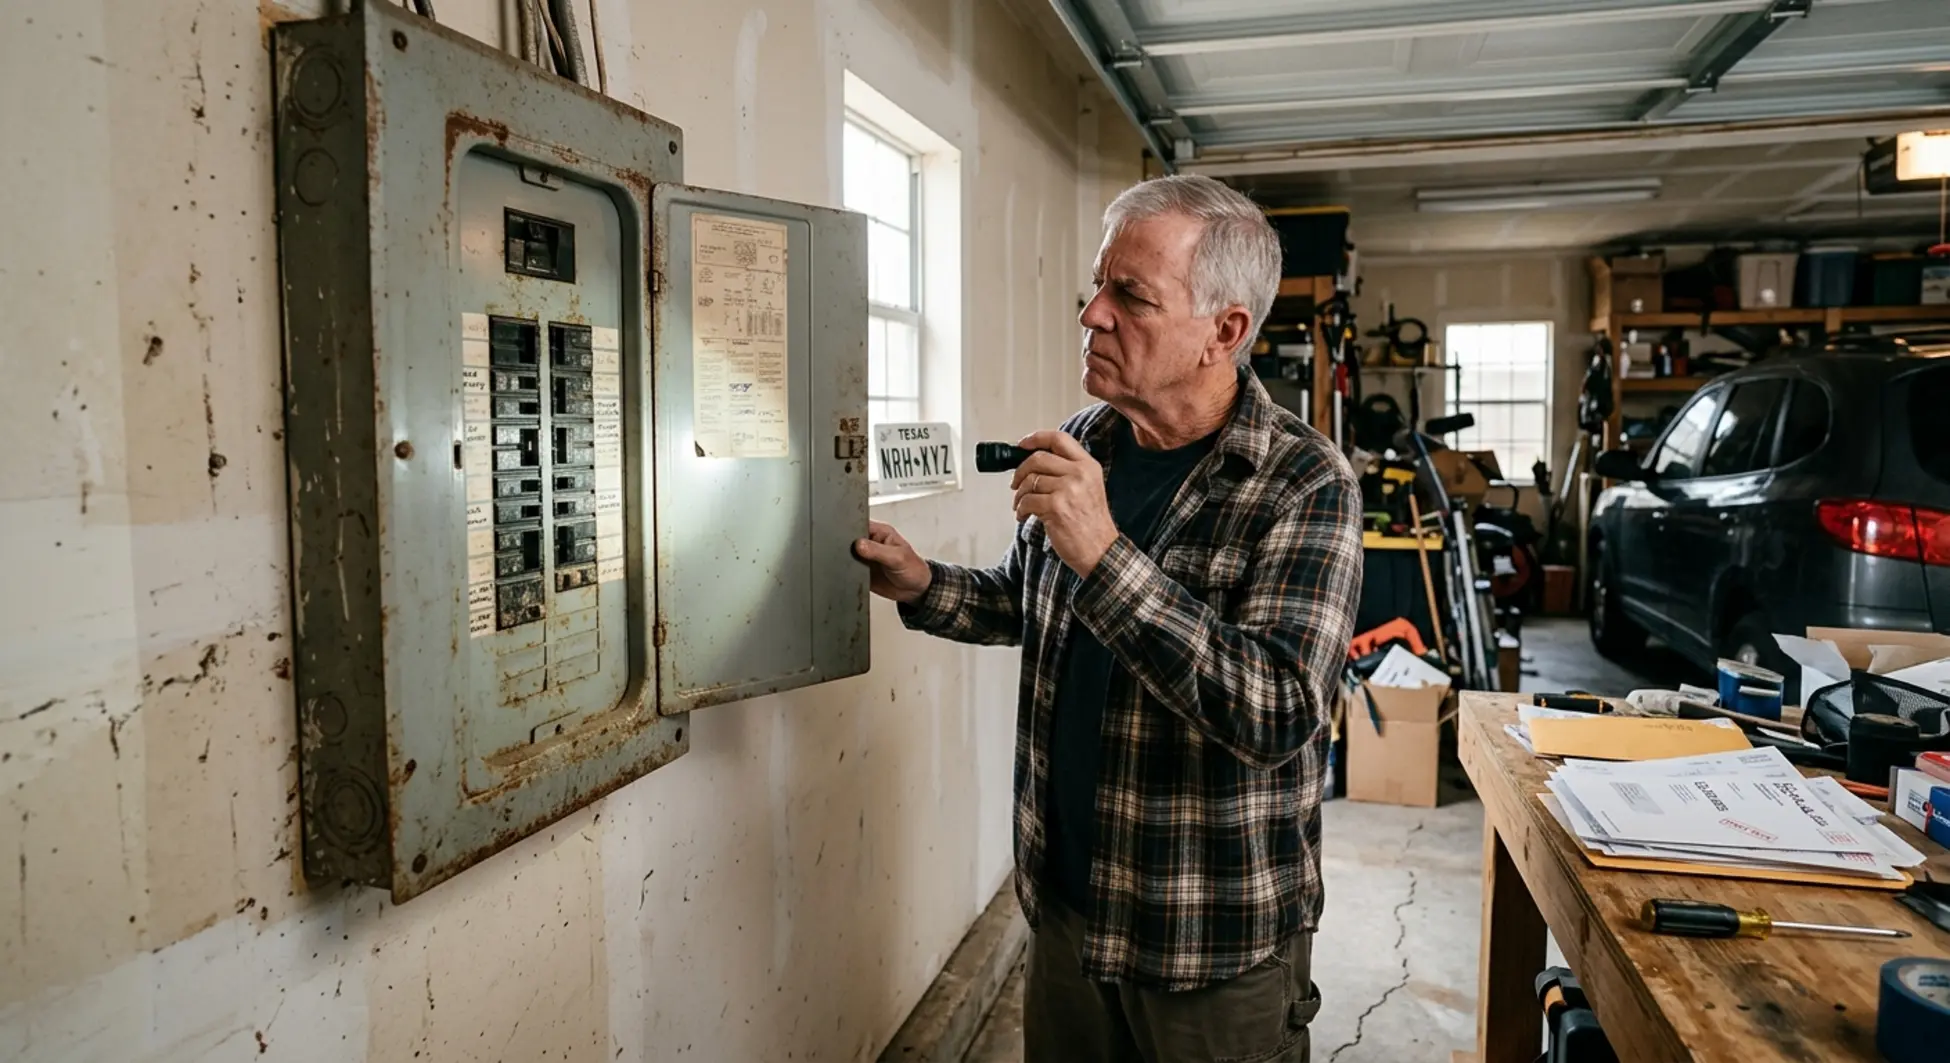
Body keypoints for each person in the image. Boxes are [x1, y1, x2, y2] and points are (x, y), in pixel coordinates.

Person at [853, 174, 1362, 1063]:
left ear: (1226, 332)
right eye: (1096, 286)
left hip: (1210, 946)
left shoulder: (1305, 483)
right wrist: (920, 580)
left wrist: (1105, 553)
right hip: (1067, 910)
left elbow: (1278, 710)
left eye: (1131, 295)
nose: (1092, 314)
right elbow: (1028, 600)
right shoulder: (1090, 437)